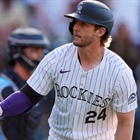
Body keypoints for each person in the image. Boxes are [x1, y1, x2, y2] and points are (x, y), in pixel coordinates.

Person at [0, 0, 137, 140]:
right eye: (75, 22)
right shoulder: (56, 57)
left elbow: (125, 123)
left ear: (100, 31)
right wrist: (2, 108)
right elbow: (27, 97)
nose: (75, 28)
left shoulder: (120, 72)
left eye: (83, 24)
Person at [0, 27, 50, 140]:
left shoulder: (40, 85)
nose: (40, 56)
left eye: (41, 51)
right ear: (17, 51)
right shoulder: (3, 85)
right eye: (34, 50)